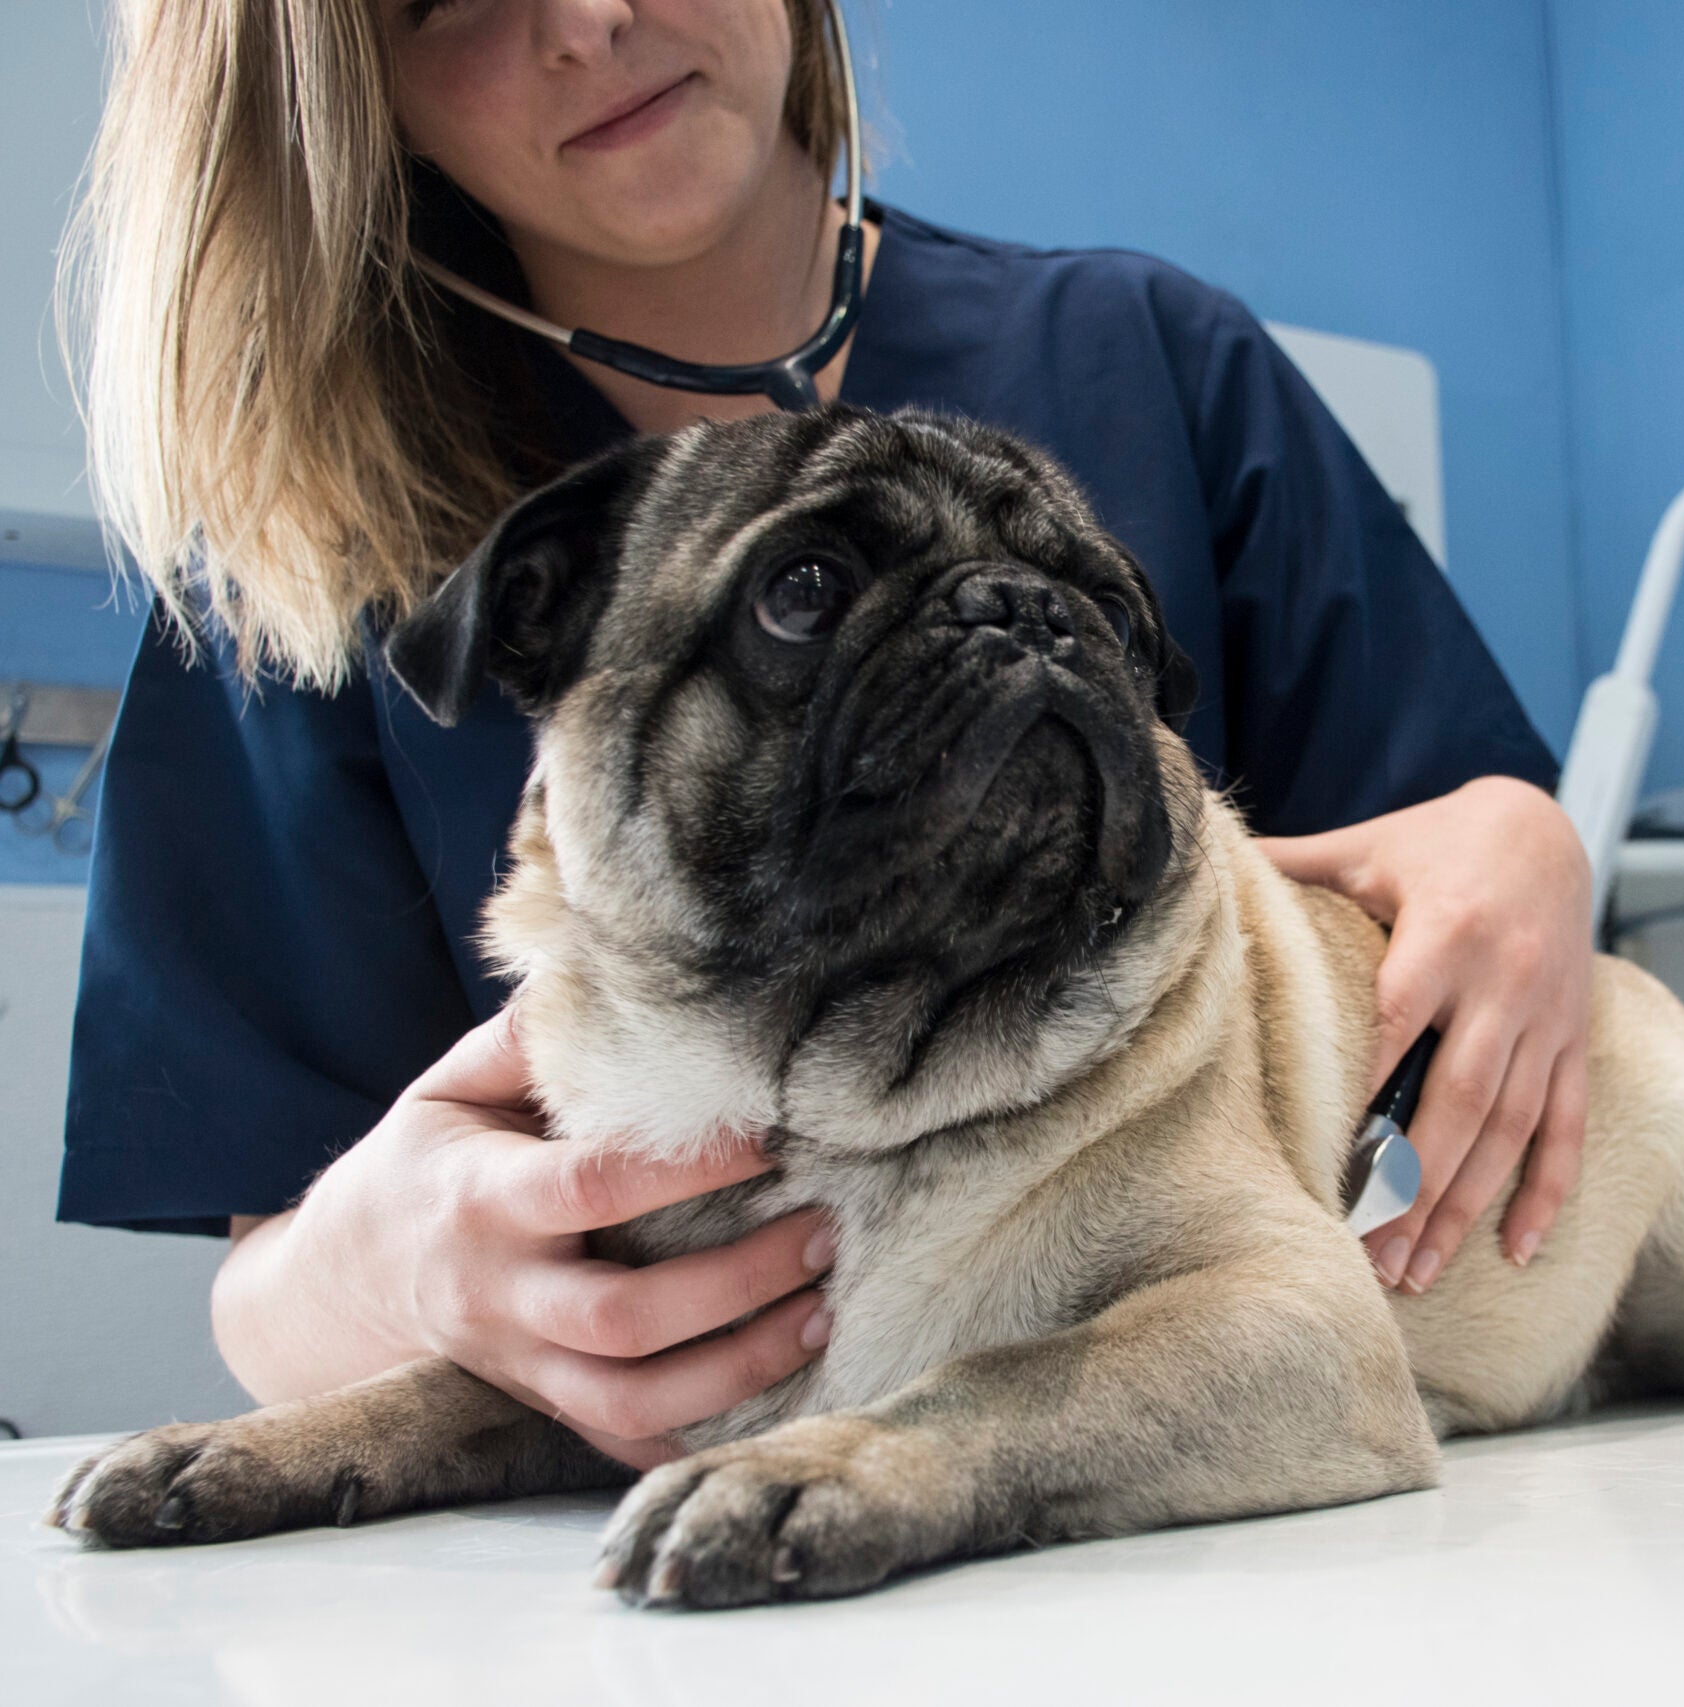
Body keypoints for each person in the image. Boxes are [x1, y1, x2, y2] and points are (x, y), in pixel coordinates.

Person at [54, 0, 1594, 1469]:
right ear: (341, 95)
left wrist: (1523, 844)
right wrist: (375, 1272)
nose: (586, 22)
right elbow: (271, 1286)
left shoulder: (1152, 360)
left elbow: (1439, 912)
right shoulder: (300, 566)